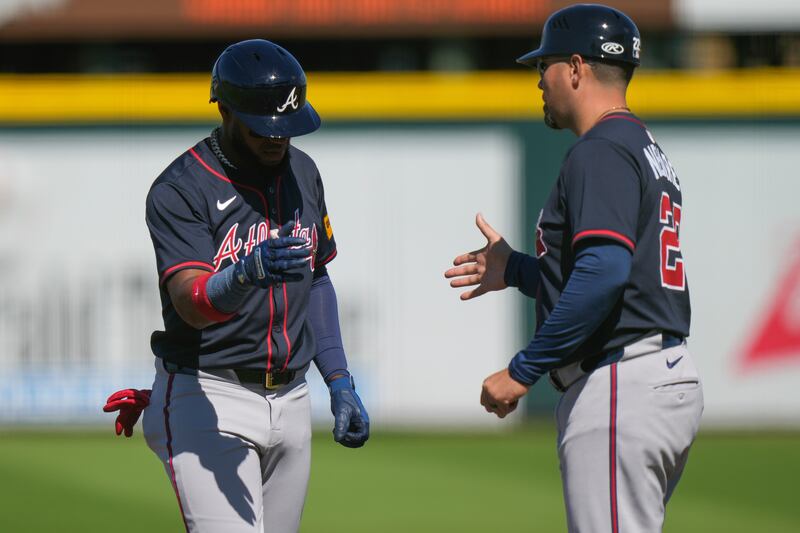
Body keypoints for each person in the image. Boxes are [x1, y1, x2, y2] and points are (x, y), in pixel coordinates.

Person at [444, 4, 703, 532]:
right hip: (658, 373)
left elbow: (604, 276)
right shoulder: (641, 145)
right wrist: (515, 269)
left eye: (547, 66)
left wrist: (522, 371)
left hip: (619, 385)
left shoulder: (600, 150)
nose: (540, 79)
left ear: (578, 68)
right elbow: (620, 279)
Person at [103, 39, 369, 533]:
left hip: (291, 398)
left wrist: (338, 380)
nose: (278, 139)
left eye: (287, 127)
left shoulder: (304, 172)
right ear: (224, 108)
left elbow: (317, 278)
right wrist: (242, 275)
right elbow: (190, 303)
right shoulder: (182, 188)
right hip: (209, 394)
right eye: (263, 126)